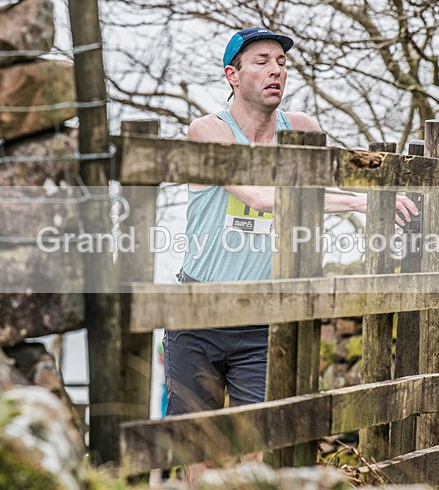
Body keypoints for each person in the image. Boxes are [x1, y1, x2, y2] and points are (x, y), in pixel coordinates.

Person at [163, 27, 418, 418]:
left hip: (263, 320)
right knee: (199, 447)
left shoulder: (300, 130)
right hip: (200, 312)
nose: (276, 71)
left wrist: (387, 192)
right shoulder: (208, 130)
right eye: (262, 62)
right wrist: (359, 203)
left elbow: (343, 171)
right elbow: (259, 197)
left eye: (281, 63)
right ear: (232, 75)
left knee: (265, 438)